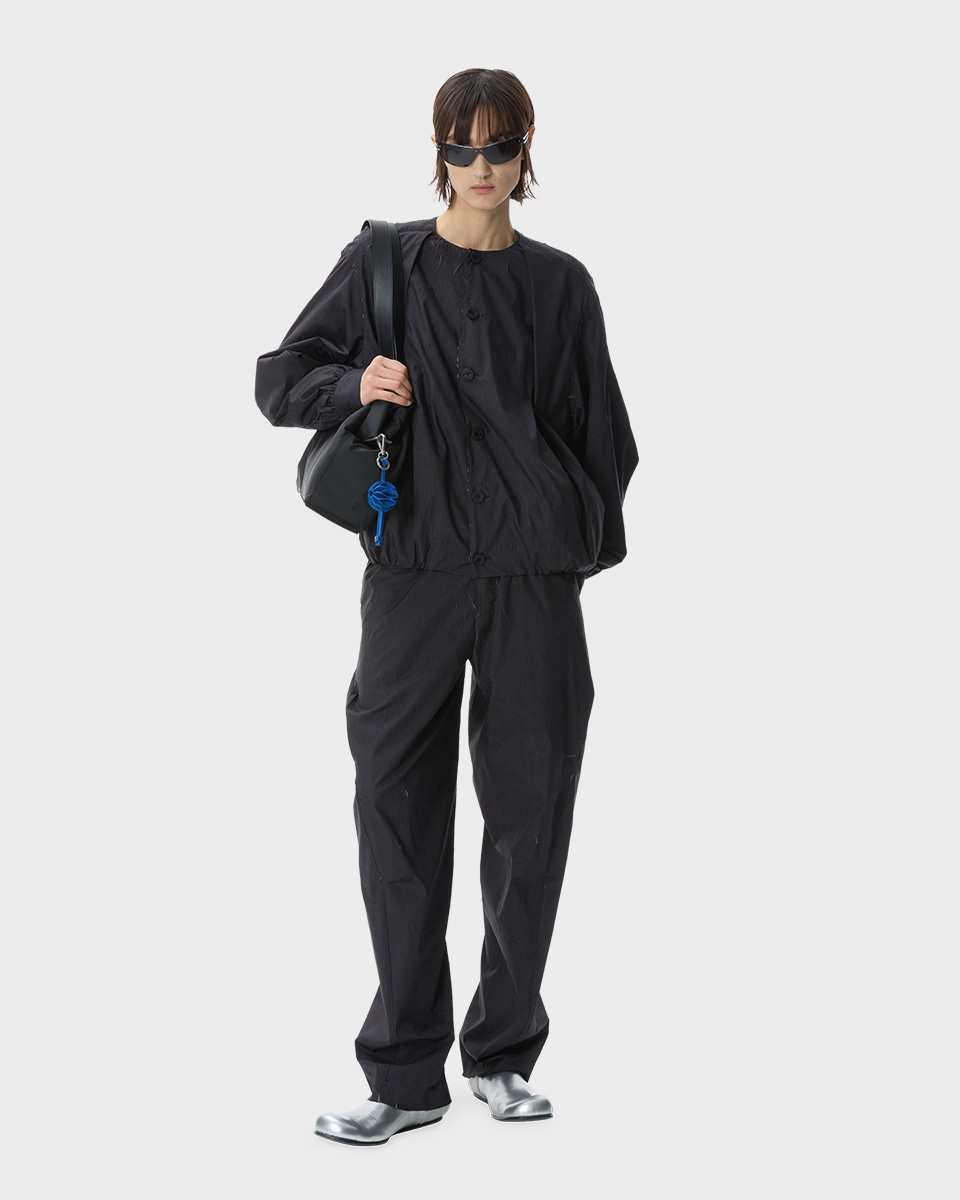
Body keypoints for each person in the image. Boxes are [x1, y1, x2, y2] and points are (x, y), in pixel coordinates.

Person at [255, 67, 638, 1147]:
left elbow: (603, 433)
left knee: (531, 816)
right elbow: (281, 378)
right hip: (412, 577)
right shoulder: (384, 262)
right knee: (396, 814)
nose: (480, 167)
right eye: (460, 147)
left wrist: (564, 547)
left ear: (527, 150)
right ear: (438, 152)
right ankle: (405, 1074)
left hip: (532, 585)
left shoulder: (561, 284)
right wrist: (355, 385)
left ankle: (504, 1054)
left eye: (498, 146)